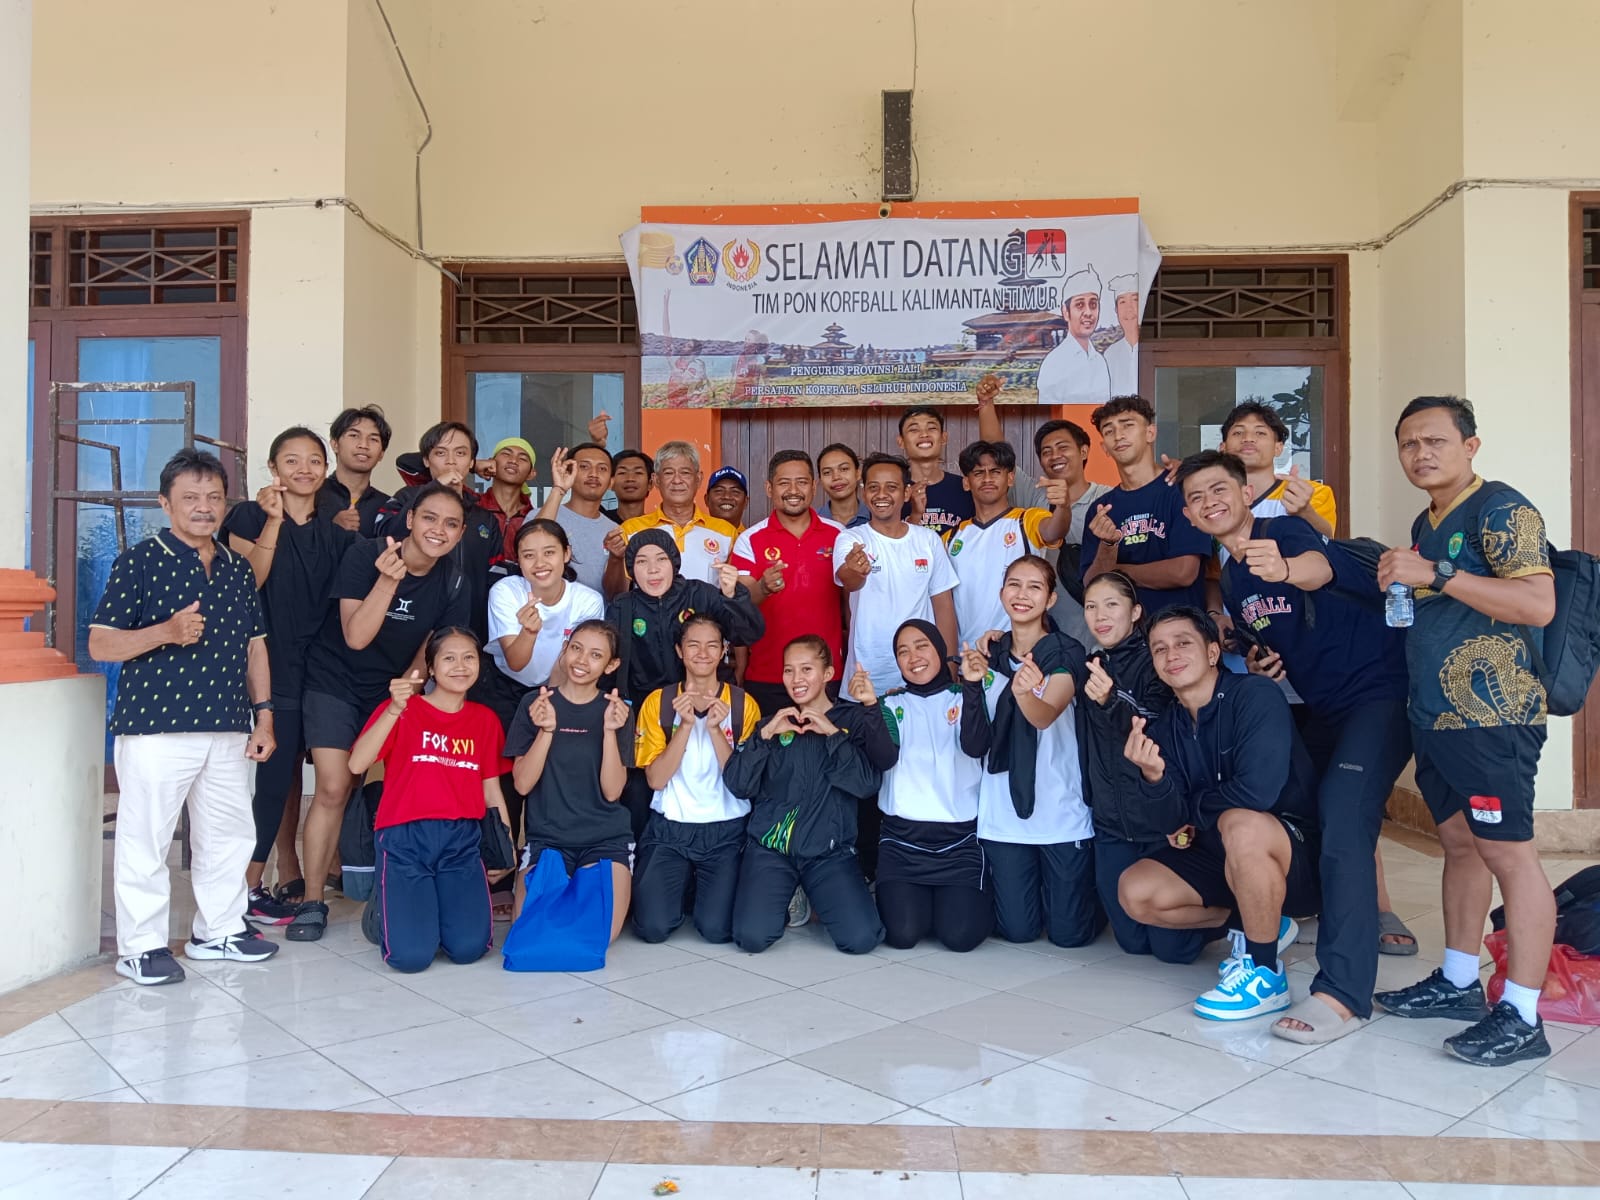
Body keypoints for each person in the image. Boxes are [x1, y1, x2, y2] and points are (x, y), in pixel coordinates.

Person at [1176, 450, 1412, 1042]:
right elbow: (1277, 632)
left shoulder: (1282, 532)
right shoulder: (1233, 579)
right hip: (1323, 711)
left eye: (1219, 489)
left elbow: (1319, 569)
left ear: (1246, 493)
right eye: (1197, 497)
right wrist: (1261, 660)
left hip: (1378, 697)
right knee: (1304, 818)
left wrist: (1283, 568)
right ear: (1189, 515)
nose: (1209, 502)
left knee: (1344, 818)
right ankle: (1277, 929)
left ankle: (1342, 993)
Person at [1373, 395, 1558, 1066]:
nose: (1421, 453)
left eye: (1435, 441)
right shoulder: (1427, 520)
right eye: (1409, 444)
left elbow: (1537, 603)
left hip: (1492, 718)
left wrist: (1437, 573)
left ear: (1470, 446)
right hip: (1437, 718)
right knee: (1459, 844)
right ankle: (1458, 981)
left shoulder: (1501, 509)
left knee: (1510, 854)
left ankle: (1523, 1014)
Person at [89, 448, 280, 985]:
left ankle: (218, 931)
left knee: (228, 834)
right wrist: (165, 632)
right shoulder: (139, 561)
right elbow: (101, 643)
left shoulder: (237, 567)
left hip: (227, 724)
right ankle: (140, 947)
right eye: (191, 497)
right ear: (165, 503)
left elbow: (255, 646)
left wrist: (264, 716)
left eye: (214, 497)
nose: (204, 507)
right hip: (156, 728)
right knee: (146, 837)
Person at [1118, 607, 1320, 1021]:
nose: (1171, 654)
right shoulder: (1166, 727)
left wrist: (1193, 812)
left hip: (1293, 853)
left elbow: (1257, 792)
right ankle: (1261, 922)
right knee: (1135, 890)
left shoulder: (1255, 695)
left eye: (1183, 643)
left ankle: (1265, 975)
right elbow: (1171, 822)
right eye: (1159, 649)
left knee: (1239, 821)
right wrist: (1154, 777)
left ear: (1213, 653)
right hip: (1224, 853)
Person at [290, 483, 472, 942]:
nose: (439, 530)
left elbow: (430, 649)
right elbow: (355, 636)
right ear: (409, 519)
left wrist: (406, 692)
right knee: (334, 785)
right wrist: (388, 582)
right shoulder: (366, 555)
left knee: (372, 784)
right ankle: (312, 901)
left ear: (460, 533)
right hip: (334, 680)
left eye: (451, 524)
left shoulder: (453, 580)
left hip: (391, 687)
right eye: (429, 518)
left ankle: (377, 880)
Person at [222, 427, 354, 922]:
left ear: (326, 467)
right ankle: (248, 886)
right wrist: (274, 522)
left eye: (314, 460)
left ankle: (261, 883)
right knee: (275, 779)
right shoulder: (248, 516)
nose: (304, 469)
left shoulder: (337, 536)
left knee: (314, 778)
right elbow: (247, 582)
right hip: (268, 662)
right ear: (274, 468)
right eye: (292, 460)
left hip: (319, 668)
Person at [347, 628, 511, 973]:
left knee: (469, 948)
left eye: (469, 658)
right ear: (432, 668)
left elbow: (491, 789)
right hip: (404, 837)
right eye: (449, 658)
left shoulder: (485, 720)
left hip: (461, 839)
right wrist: (393, 710)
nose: (460, 666)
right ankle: (383, 909)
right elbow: (357, 764)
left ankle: (422, 910)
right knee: (410, 958)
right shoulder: (403, 709)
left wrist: (505, 846)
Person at [725, 636, 891, 955]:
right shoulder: (773, 723)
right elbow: (738, 785)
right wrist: (764, 737)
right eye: (789, 670)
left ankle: (813, 890)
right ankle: (792, 892)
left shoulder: (850, 721)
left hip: (829, 853)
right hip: (772, 850)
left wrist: (831, 734)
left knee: (861, 939)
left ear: (828, 673)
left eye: (806, 669)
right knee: (752, 937)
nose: (796, 679)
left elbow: (867, 785)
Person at [970, 555, 1100, 948]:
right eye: (1014, 584)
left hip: (1060, 807)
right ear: (1001, 593)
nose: (1022, 594)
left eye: (1034, 587)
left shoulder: (1066, 652)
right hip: (1003, 811)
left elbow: (1045, 715)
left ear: (1051, 599)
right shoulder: (989, 654)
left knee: (1069, 935)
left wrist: (1024, 693)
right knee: (1018, 931)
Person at [1077, 572, 1207, 963]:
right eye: (1091, 606)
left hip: (1158, 825)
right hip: (1111, 825)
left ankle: (1238, 918)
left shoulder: (1156, 659)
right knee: (1132, 943)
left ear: (1135, 612)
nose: (1100, 615)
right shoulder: (1091, 664)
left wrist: (1111, 700)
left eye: (1111, 605)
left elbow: (1156, 725)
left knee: (1175, 950)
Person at [606, 529, 764, 838]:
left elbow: (748, 633)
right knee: (639, 793)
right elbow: (610, 665)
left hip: (708, 704)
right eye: (642, 562)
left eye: (661, 560)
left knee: (715, 779)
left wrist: (733, 595)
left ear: (674, 562)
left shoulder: (699, 595)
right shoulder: (623, 607)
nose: (653, 570)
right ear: (631, 568)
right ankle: (646, 853)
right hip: (648, 712)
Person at [630, 614, 761, 944]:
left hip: (726, 829)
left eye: (712, 645)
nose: (703, 653)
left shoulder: (743, 705)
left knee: (716, 929)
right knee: (652, 928)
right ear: (679, 650)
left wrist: (715, 730)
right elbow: (656, 780)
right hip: (669, 829)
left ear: (724, 651)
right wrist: (685, 726)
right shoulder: (659, 703)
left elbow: (741, 783)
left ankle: (699, 894)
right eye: (693, 645)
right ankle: (683, 891)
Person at [477, 519, 605, 854]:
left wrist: (547, 704)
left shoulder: (587, 600)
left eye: (549, 552)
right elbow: (517, 662)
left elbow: (573, 664)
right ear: (517, 560)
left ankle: (542, 857)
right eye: (528, 555)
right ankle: (501, 863)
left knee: (548, 776)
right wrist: (529, 632)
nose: (539, 563)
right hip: (505, 689)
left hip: (560, 691)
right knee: (506, 781)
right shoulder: (506, 591)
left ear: (567, 554)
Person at [871, 621, 995, 952]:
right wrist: (869, 707)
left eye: (922, 646)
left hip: (959, 844)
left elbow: (975, 746)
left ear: (940, 649)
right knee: (903, 934)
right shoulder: (888, 705)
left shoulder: (966, 695)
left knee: (960, 937)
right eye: (903, 651)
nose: (913, 657)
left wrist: (972, 686)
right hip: (902, 843)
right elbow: (883, 758)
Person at [507, 621, 634, 942]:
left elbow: (612, 791)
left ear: (611, 665)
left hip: (605, 840)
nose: (582, 660)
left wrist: (609, 731)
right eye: (576, 648)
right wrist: (546, 730)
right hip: (548, 839)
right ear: (564, 649)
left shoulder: (617, 711)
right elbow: (522, 785)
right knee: (531, 931)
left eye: (596, 655)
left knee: (597, 934)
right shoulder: (535, 703)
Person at [730, 449, 847, 716]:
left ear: (814, 487)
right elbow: (739, 602)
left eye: (802, 482)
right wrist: (763, 587)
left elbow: (852, 604)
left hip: (826, 675)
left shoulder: (838, 535)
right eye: (784, 483)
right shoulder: (750, 539)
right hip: (768, 676)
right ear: (769, 488)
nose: (793, 490)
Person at [374, 421, 510, 642]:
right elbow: (384, 533)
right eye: (440, 453)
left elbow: (496, 577)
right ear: (426, 460)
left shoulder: (484, 518)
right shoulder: (407, 497)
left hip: (468, 629)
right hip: (407, 621)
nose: (451, 460)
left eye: (460, 453)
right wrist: (434, 488)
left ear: (471, 462)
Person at [834, 453, 958, 694]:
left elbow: (943, 607)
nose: (881, 495)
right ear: (863, 493)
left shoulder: (928, 540)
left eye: (891, 487)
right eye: (873, 487)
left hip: (923, 675)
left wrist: (951, 665)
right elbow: (849, 581)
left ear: (907, 493)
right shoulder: (851, 538)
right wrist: (855, 571)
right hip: (867, 678)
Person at [1081, 394, 1210, 614]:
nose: (1118, 435)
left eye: (1128, 425)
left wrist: (1116, 570)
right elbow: (1092, 584)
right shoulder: (1100, 510)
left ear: (1150, 433)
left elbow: (1183, 572)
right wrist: (1108, 546)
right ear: (1104, 448)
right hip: (1125, 632)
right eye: (1109, 431)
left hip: (1181, 627)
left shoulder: (1183, 490)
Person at [945, 439, 1069, 645]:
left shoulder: (1026, 520)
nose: (987, 479)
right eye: (978, 473)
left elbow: (1054, 530)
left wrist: (1063, 507)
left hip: (1017, 652)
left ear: (1010, 478)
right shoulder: (951, 537)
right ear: (966, 482)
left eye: (995, 472)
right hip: (966, 654)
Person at [1017, 419, 1113, 648]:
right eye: (1046, 452)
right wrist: (986, 405)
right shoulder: (1035, 497)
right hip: (1046, 638)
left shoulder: (1108, 500)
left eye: (1063, 447)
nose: (1054, 456)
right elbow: (996, 451)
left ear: (1084, 451)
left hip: (1097, 637)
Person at [607, 441, 738, 593]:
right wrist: (615, 559)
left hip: (708, 609)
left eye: (685, 473)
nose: (677, 480)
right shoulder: (631, 529)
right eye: (669, 473)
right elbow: (615, 594)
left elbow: (736, 592)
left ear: (698, 479)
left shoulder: (726, 532)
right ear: (656, 480)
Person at [1220, 401, 1336, 537]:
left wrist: (1305, 512)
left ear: (1278, 448)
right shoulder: (1209, 498)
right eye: (1238, 432)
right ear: (1223, 448)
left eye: (1260, 433)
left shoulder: (1313, 493)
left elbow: (1326, 541)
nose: (1248, 438)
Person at [537, 443, 618, 596]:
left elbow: (617, 592)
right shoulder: (543, 515)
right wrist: (559, 488)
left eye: (602, 469)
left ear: (611, 482)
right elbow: (534, 543)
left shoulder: (615, 531)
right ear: (568, 473)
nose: (593, 474)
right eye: (584, 467)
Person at [1036, 265, 1111, 406]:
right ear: (1066, 312)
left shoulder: (1100, 362)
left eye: (1093, 305)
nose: (1088, 313)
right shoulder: (1054, 362)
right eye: (1080, 305)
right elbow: (1049, 413)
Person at [896, 407, 974, 538]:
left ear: (944, 438)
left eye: (931, 428)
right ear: (901, 442)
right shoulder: (894, 491)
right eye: (914, 429)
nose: (924, 434)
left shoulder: (965, 488)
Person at [316, 405, 392, 536]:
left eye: (373, 439)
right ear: (335, 444)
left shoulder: (387, 506)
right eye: (354, 435)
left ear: (381, 454)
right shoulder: (313, 495)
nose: (363, 445)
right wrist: (330, 528)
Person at [474, 437, 536, 562]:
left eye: (523, 458)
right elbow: (437, 478)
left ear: (531, 474)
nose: (513, 460)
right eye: (506, 454)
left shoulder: (533, 518)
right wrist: (473, 465)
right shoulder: (471, 504)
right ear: (490, 462)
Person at [1100, 273, 1141, 397]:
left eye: (1135, 300)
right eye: (1122, 302)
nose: (1129, 309)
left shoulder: (1149, 350)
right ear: (1116, 310)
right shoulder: (1110, 354)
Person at [817, 443, 871, 528]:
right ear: (820, 480)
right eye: (827, 472)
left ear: (858, 474)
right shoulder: (812, 520)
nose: (836, 477)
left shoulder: (875, 517)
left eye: (844, 469)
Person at [608, 448, 654, 523]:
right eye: (622, 473)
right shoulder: (600, 522)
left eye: (638, 472)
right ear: (611, 483)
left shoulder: (656, 527)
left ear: (650, 484)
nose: (630, 478)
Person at [706, 466, 749, 530]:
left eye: (735, 491)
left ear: (745, 502)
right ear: (707, 499)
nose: (727, 496)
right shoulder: (694, 534)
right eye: (719, 491)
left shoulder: (751, 536)